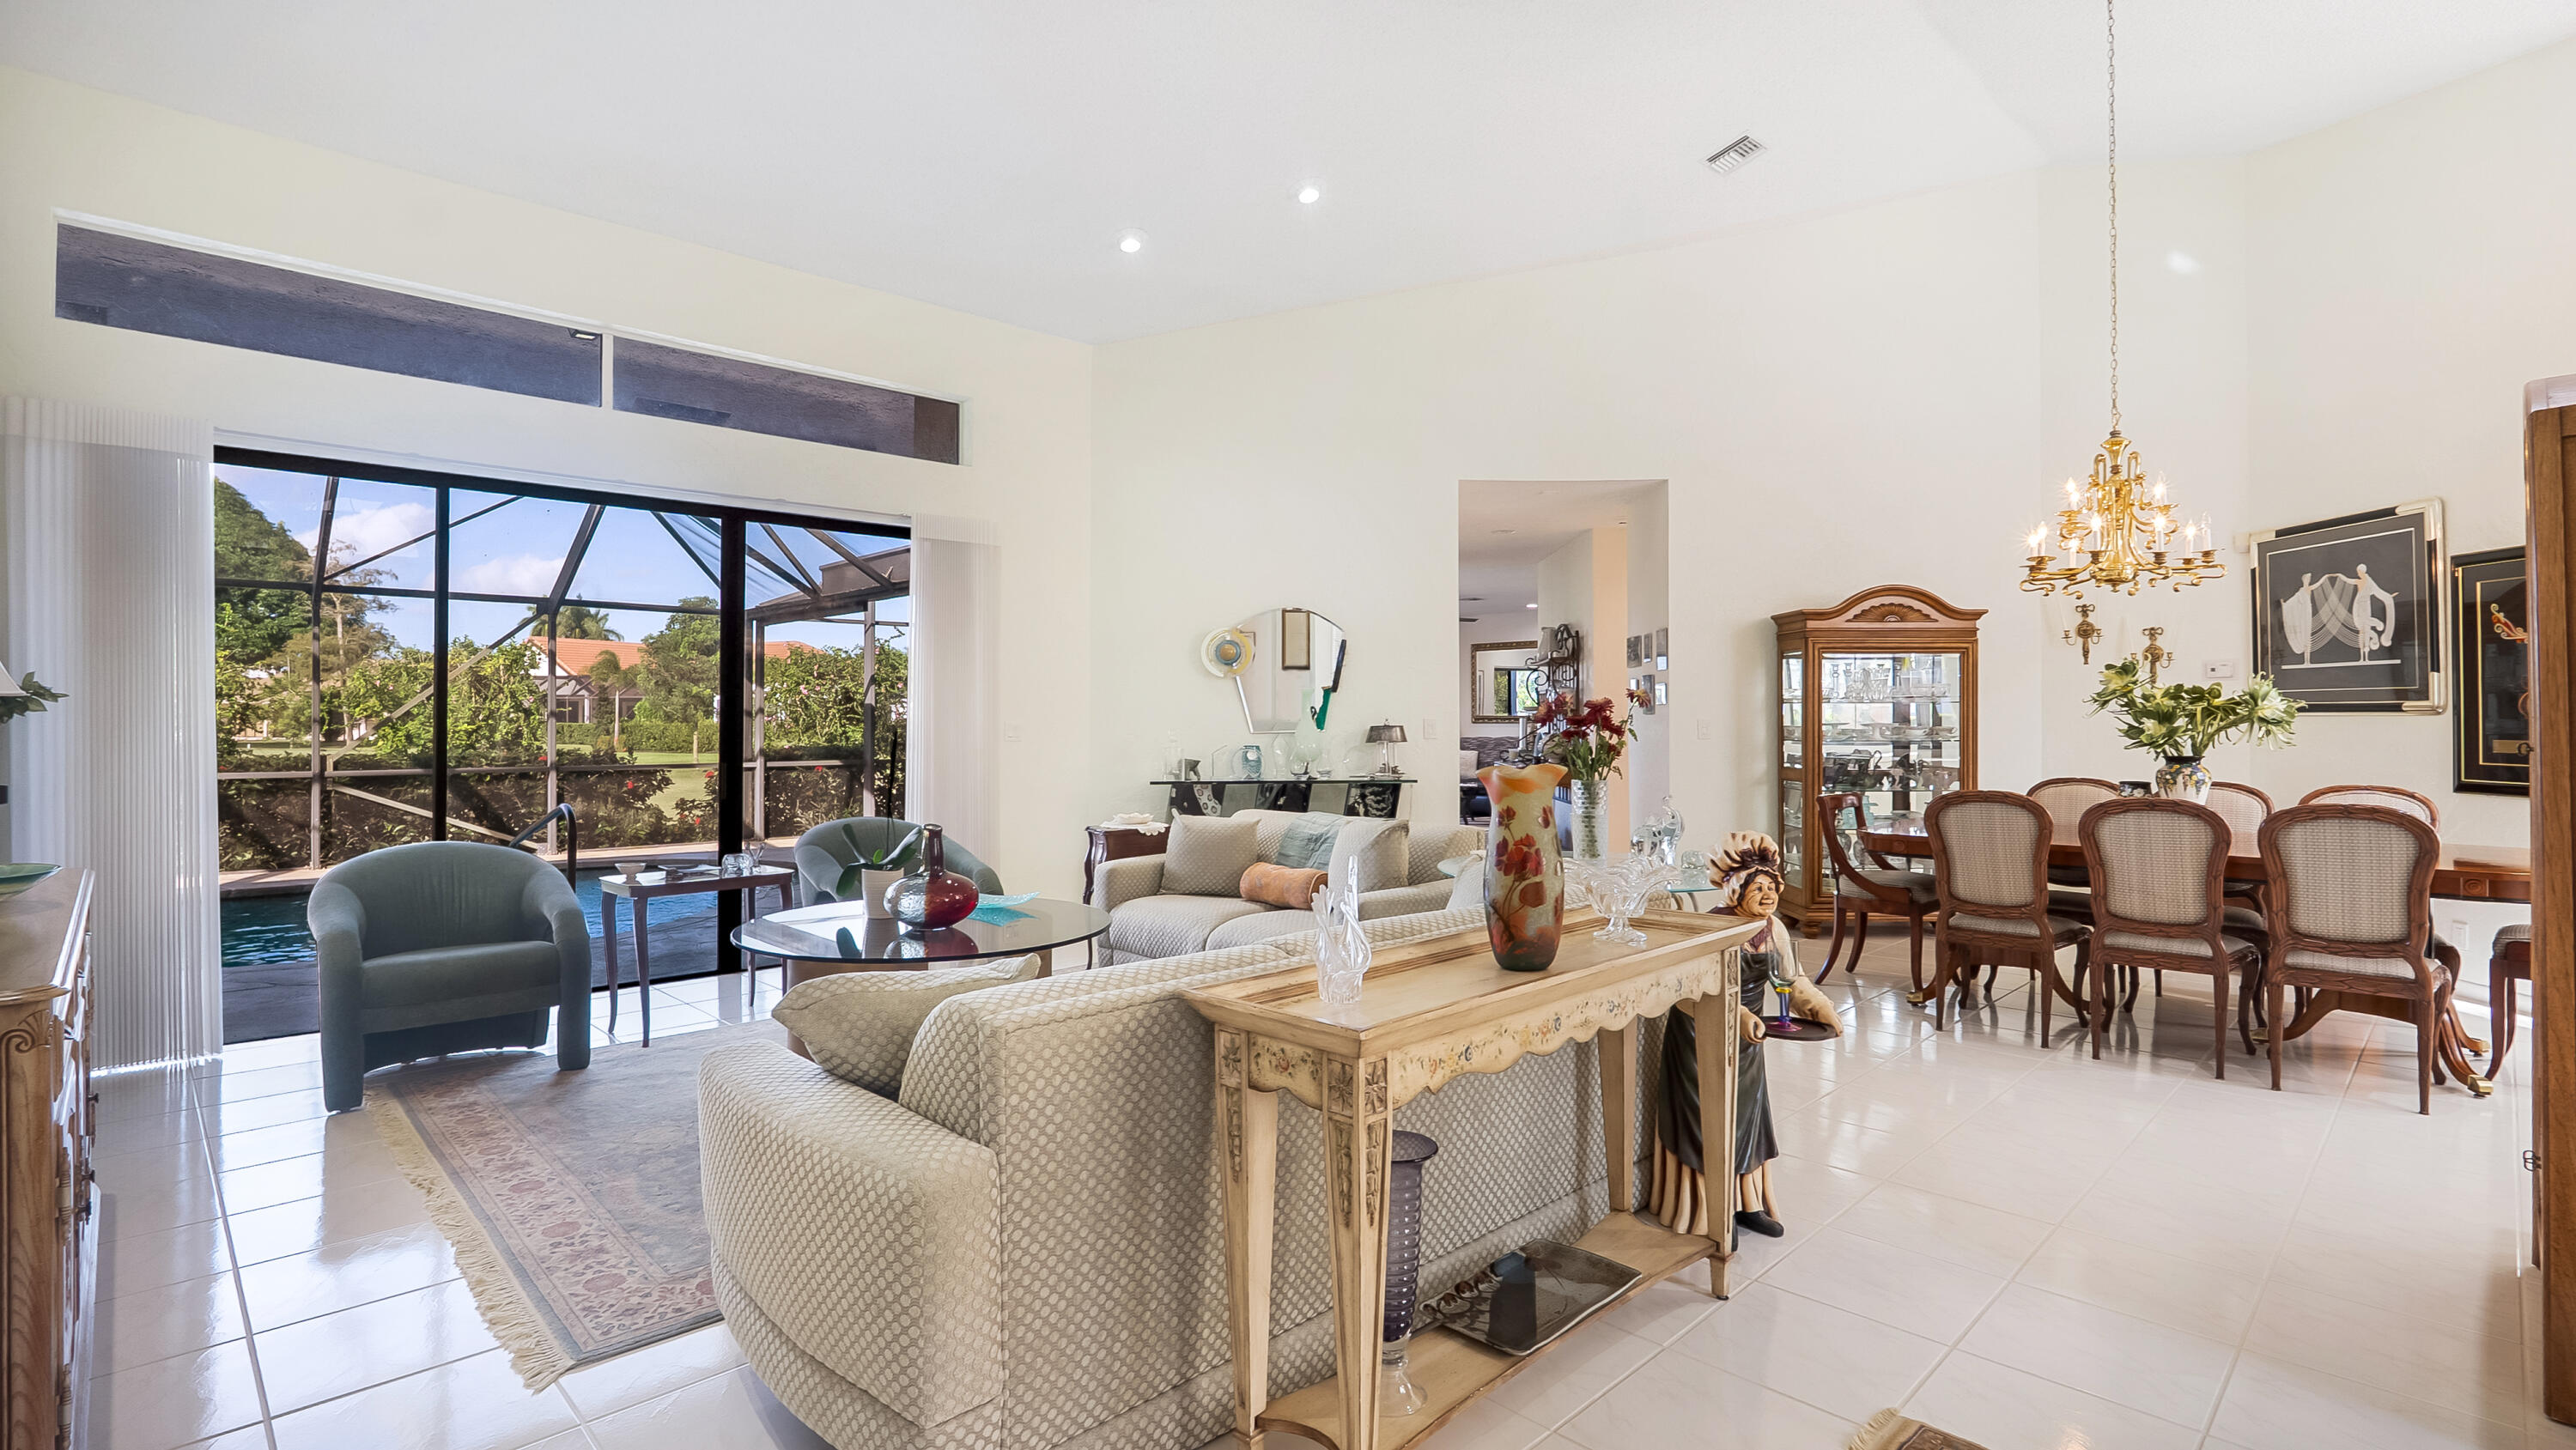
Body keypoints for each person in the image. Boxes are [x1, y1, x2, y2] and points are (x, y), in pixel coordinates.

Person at [1649, 831, 1842, 1239]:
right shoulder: (1710, 930)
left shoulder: (1773, 930)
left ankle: (1747, 1205)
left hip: (1748, 1039)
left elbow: (1793, 980)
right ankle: (1709, 1208)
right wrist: (1736, 1014)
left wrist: (1820, 1007)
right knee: (1706, 1119)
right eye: (1758, 887)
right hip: (1698, 1038)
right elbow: (1689, 992)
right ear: (1735, 888)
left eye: (1773, 886)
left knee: (1747, 1117)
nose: (1769, 895)